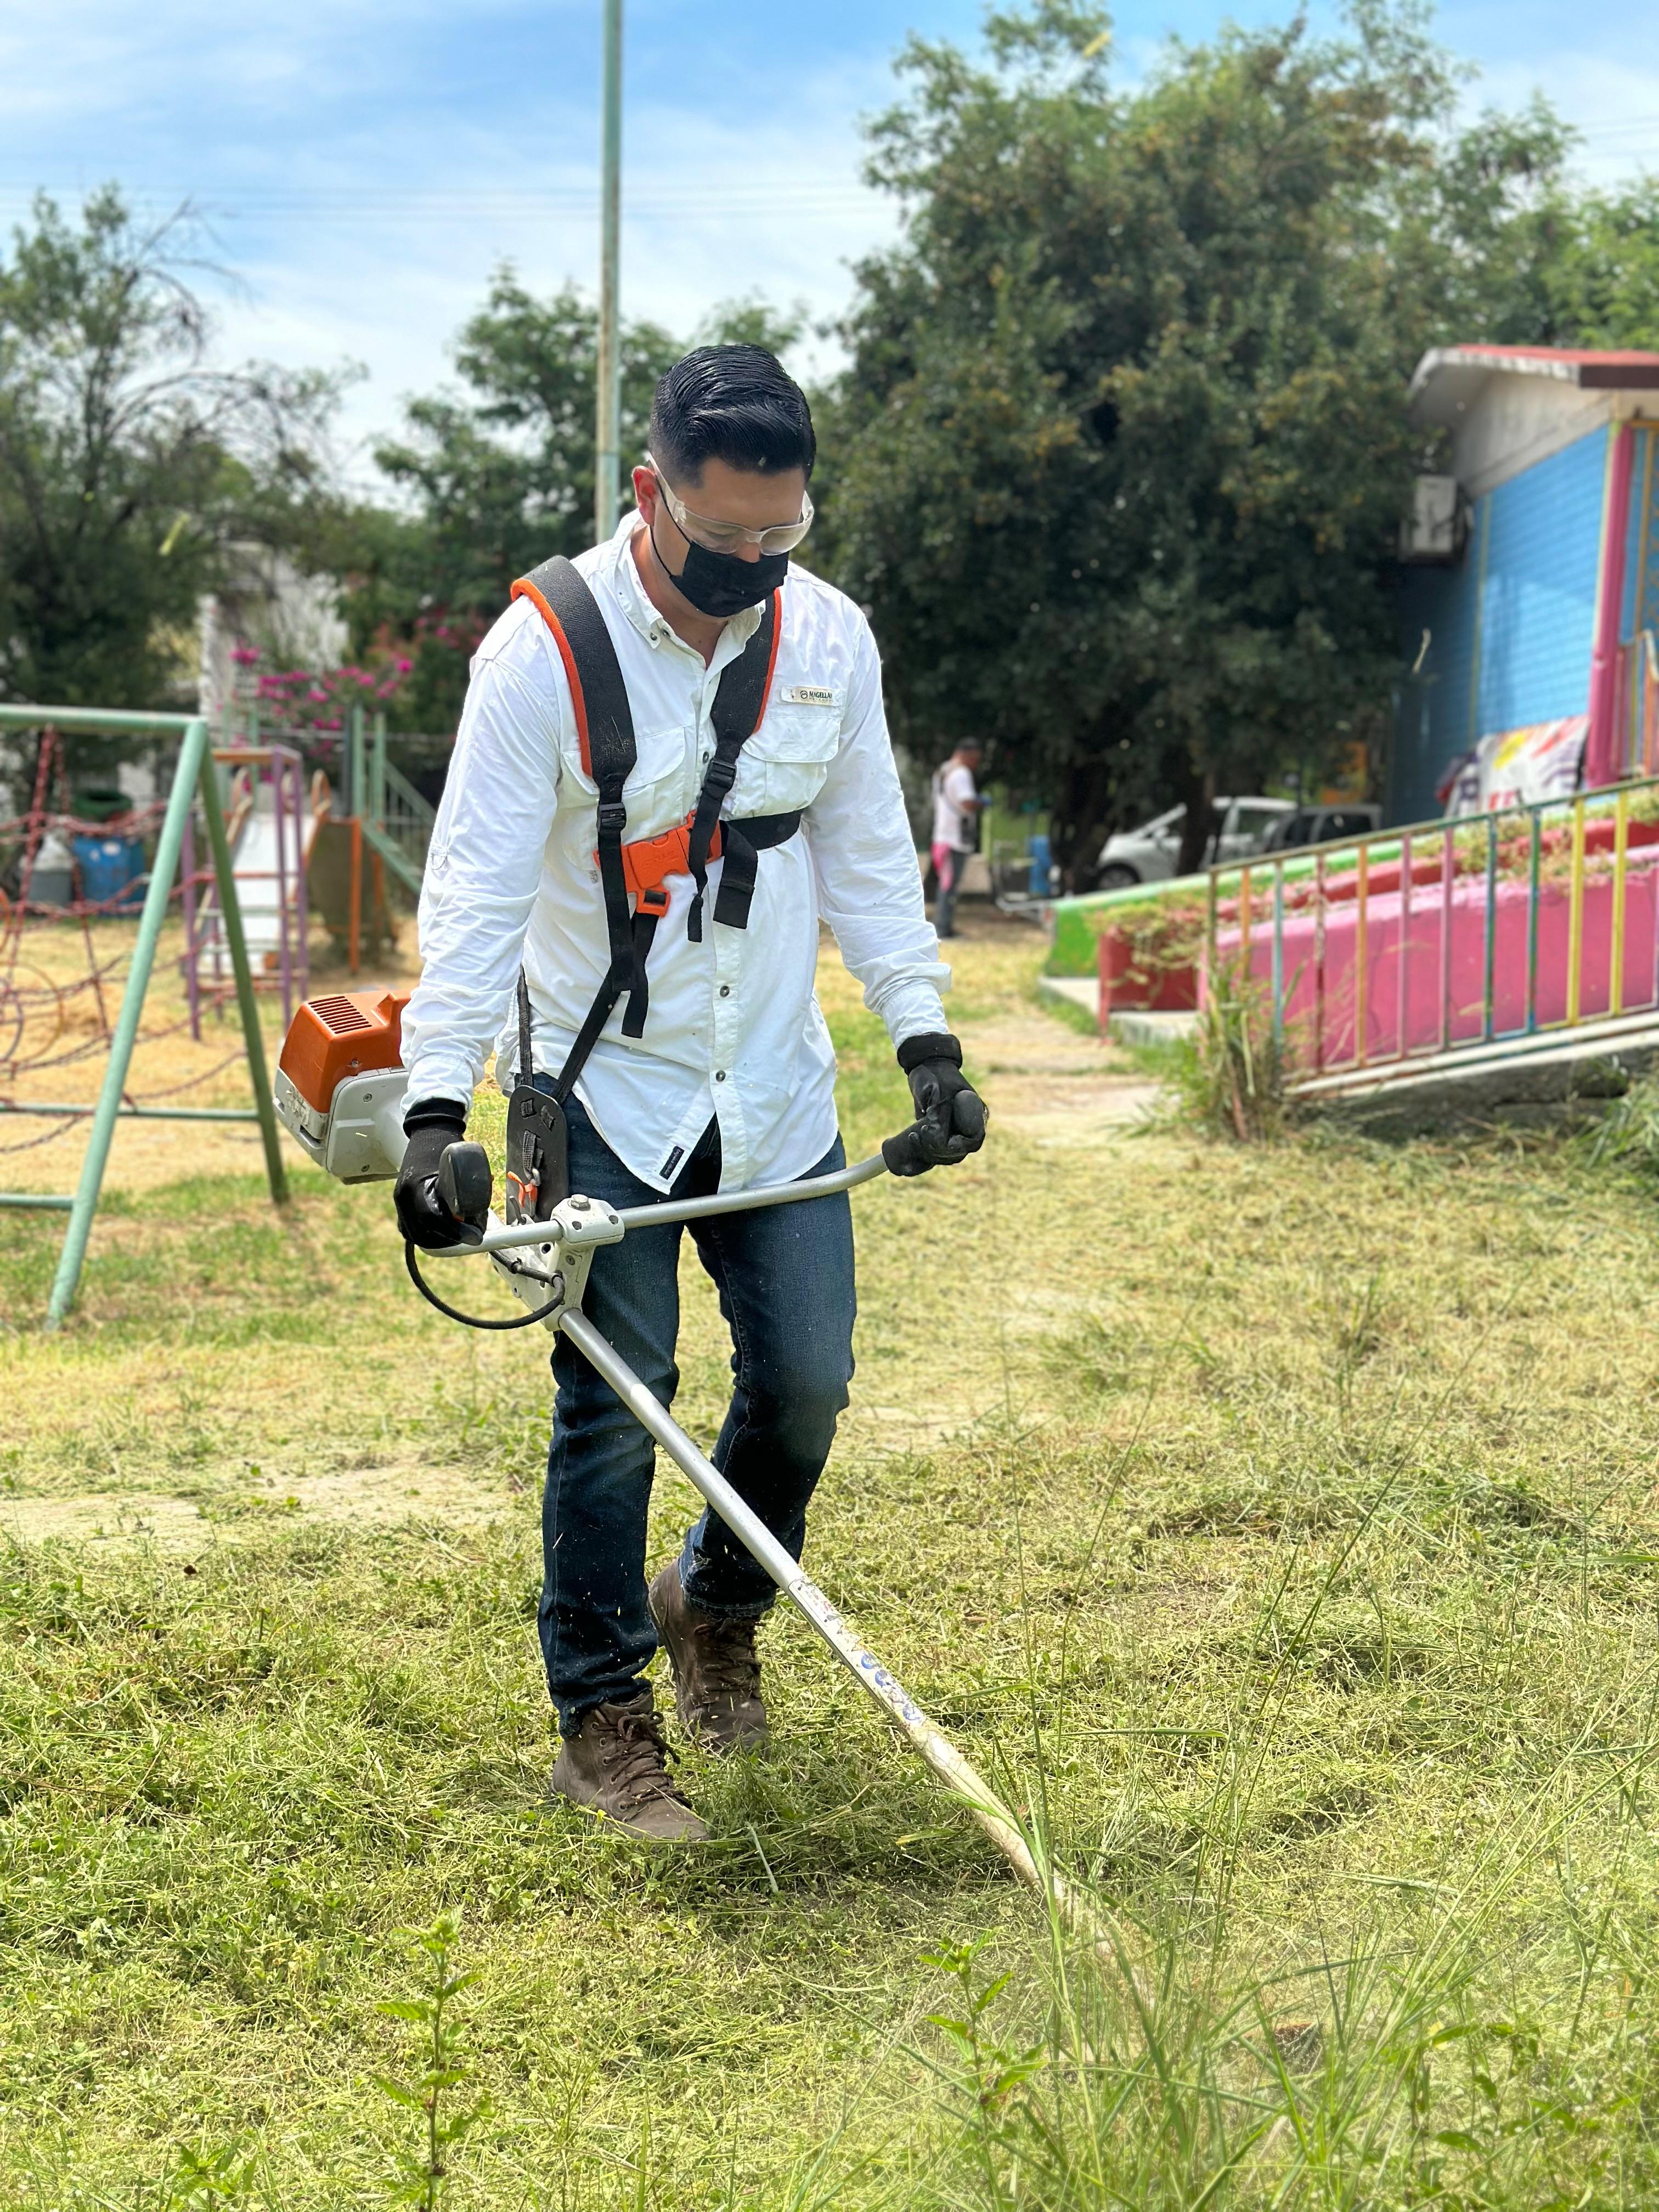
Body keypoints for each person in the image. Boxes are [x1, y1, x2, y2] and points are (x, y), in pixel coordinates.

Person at [393, 345, 987, 1842]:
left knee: (806, 1382)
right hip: (603, 1089)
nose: (751, 568)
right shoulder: (542, 653)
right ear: (648, 493)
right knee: (616, 1401)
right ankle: (601, 1720)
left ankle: (711, 1607)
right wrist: (430, 1117)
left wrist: (925, 1041)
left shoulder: (830, 641)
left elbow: (865, 853)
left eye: (779, 539)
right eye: (723, 540)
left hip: (775, 1085)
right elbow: (467, 901)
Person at [930, 740, 984, 939]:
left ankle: (944, 926)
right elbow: (967, 803)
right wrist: (982, 803)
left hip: (941, 836)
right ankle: (943, 928)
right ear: (966, 754)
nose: (975, 765)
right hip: (955, 839)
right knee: (949, 886)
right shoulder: (961, 773)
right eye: (975, 760)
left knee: (947, 884)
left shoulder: (942, 771)